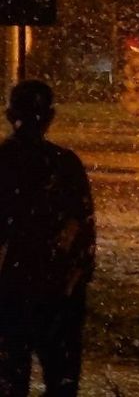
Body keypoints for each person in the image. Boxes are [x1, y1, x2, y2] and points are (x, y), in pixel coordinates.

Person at [0, 80, 96, 397]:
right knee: (61, 379)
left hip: (13, 287)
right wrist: (73, 283)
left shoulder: (4, 162)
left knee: (12, 377)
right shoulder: (65, 165)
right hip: (58, 291)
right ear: (50, 116)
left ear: (9, 114)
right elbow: (83, 233)